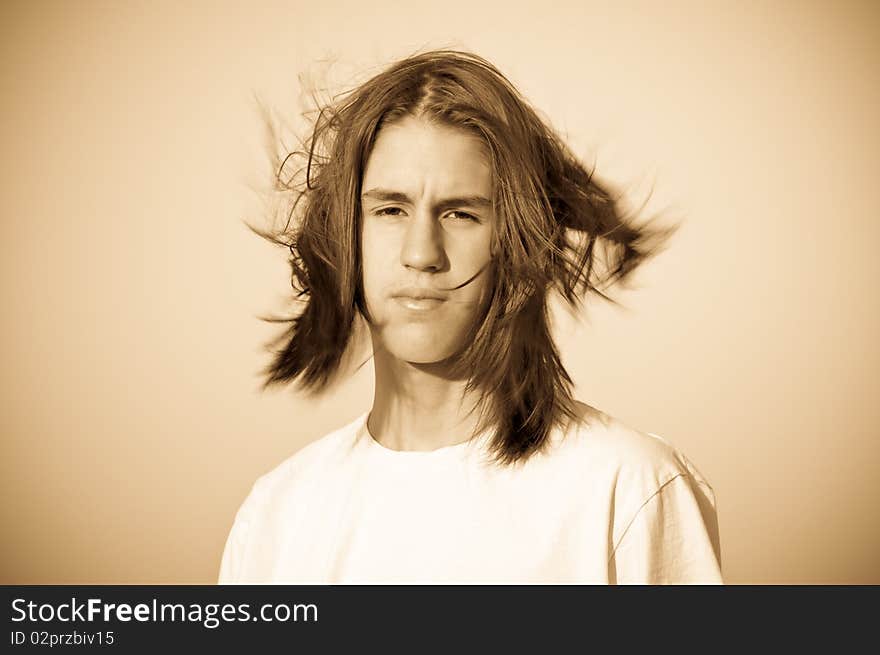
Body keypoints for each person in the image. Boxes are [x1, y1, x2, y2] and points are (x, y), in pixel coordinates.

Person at [219, 50, 723, 584]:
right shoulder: (277, 515)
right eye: (390, 210)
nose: (421, 253)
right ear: (346, 236)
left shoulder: (628, 489)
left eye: (461, 213)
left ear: (519, 240)